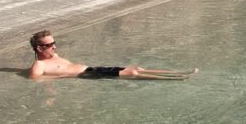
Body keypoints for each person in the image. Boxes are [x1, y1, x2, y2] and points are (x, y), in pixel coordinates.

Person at [26, 29, 194, 81]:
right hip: (86, 75)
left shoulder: (54, 57)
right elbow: (35, 79)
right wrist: (61, 77)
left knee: (137, 68)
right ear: (39, 49)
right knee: (132, 73)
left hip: (92, 69)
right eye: (49, 45)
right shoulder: (39, 65)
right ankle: (175, 79)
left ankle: (178, 72)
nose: (54, 46)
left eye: (54, 43)